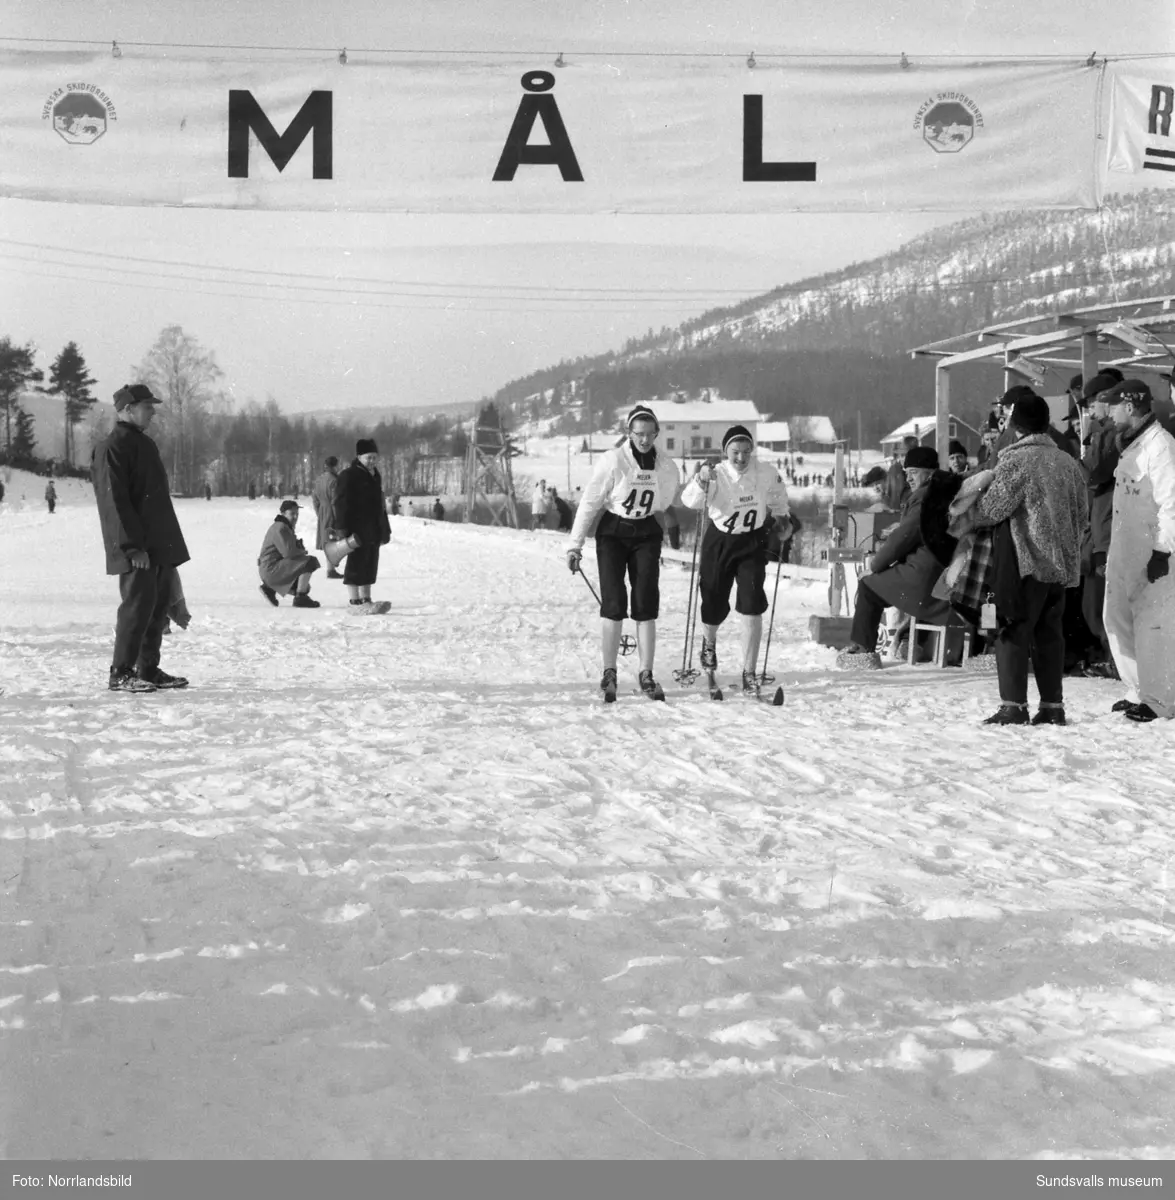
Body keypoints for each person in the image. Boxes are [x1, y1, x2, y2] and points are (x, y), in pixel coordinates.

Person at [970, 390, 1088, 726]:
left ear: (1015, 426)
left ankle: (1014, 706)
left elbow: (992, 509)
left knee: (1012, 629)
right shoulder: (1067, 462)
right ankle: (1052, 707)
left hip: (1027, 560)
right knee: (1050, 634)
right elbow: (1082, 513)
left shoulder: (1016, 461)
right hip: (1061, 565)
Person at [565, 404, 681, 701]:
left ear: (656, 433)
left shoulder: (666, 466)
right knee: (614, 602)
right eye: (638, 434)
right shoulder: (613, 460)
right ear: (629, 433)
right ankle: (609, 671)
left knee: (645, 602)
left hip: (645, 534)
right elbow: (590, 503)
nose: (644, 440)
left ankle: (646, 672)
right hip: (614, 533)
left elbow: (664, 501)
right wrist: (574, 545)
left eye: (649, 434)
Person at [91, 383, 191, 693]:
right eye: (147, 406)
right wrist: (132, 547)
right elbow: (115, 504)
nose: (153, 410)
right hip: (137, 547)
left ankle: (147, 668)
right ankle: (121, 672)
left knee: (157, 607)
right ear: (127, 410)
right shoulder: (112, 447)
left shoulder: (144, 444)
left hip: (158, 544)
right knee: (137, 606)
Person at [680, 425, 789, 693]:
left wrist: (783, 518)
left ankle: (749, 671)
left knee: (752, 602)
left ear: (752, 451)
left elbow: (778, 497)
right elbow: (690, 502)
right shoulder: (716, 474)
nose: (741, 458)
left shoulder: (765, 472)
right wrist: (701, 481)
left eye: (746, 452)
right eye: (735, 452)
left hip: (751, 542)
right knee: (714, 599)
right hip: (720, 541)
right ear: (725, 452)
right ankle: (709, 642)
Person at [836, 447, 965, 670]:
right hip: (940, 573)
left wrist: (875, 567)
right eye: (907, 473)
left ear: (929, 472)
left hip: (924, 575)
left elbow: (903, 539)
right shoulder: (942, 491)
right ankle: (905, 643)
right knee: (880, 585)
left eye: (914, 472)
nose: (909, 478)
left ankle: (862, 648)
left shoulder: (925, 497)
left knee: (868, 586)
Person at [1101, 379, 1175, 722]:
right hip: (1124, 550)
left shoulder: (1160, 446)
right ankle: (1137, 689)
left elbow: (1171, 504)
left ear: (1129, 406)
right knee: (1115, 617)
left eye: (1113, 405)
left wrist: (1163, 550)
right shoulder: (1129, 444)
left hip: (1152, 553)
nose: (1110, 412)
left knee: (1154, 626)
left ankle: (1160, 699)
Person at [1076, 370, 1126, 676]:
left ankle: (1119, 661)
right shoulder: (1107, 433)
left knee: (1101, 605)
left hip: (1109, 531)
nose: (1089, 411)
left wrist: (1090, 439)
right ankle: (1115, 659)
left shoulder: (1110, 434)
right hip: (1100, 528)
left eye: (1092, 404)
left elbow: (1092, 474)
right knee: (1095, 606)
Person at [334, 438, 391, 614]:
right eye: (368, 457)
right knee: (356, 562)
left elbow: (380, 505)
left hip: (373, 526)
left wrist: (384, 528)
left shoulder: (375, 475)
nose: (372, 461)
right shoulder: (348, 475)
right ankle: (354, 600)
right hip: (355, 527)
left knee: (370, 561)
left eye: (374, 457)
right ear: (359, 457)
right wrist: (342, 528)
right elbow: (341, 503)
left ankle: (366, 599)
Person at [258, 499, 322, 608]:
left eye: (297, 514)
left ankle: (269, 588)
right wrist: (301, 550)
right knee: (310, 562)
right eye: (292, 514)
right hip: (270, 569)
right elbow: (288, 552)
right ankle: (300, 598)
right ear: (283, 514)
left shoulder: (284, 526)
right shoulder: (280, 527)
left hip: (269, 569)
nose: (295, 517)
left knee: (304, 587)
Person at [312, 455, 342, 579]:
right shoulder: (334, 480)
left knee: (328, 540)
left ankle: (331, 568)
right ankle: (331, 570)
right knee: (332, 540)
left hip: (323, 511)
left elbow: (314, 499)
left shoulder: (319, 480)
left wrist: (319, 512)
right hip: (332, 511)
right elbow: (335, 501)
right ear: (335, 466)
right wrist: (338, 517)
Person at [882, 436, 918, 512]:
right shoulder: (894, 470)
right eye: (901, 455)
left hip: (911, 513)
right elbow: (888, 494)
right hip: (894, 513)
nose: (902, 458)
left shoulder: (920, 471)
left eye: (905, 455)